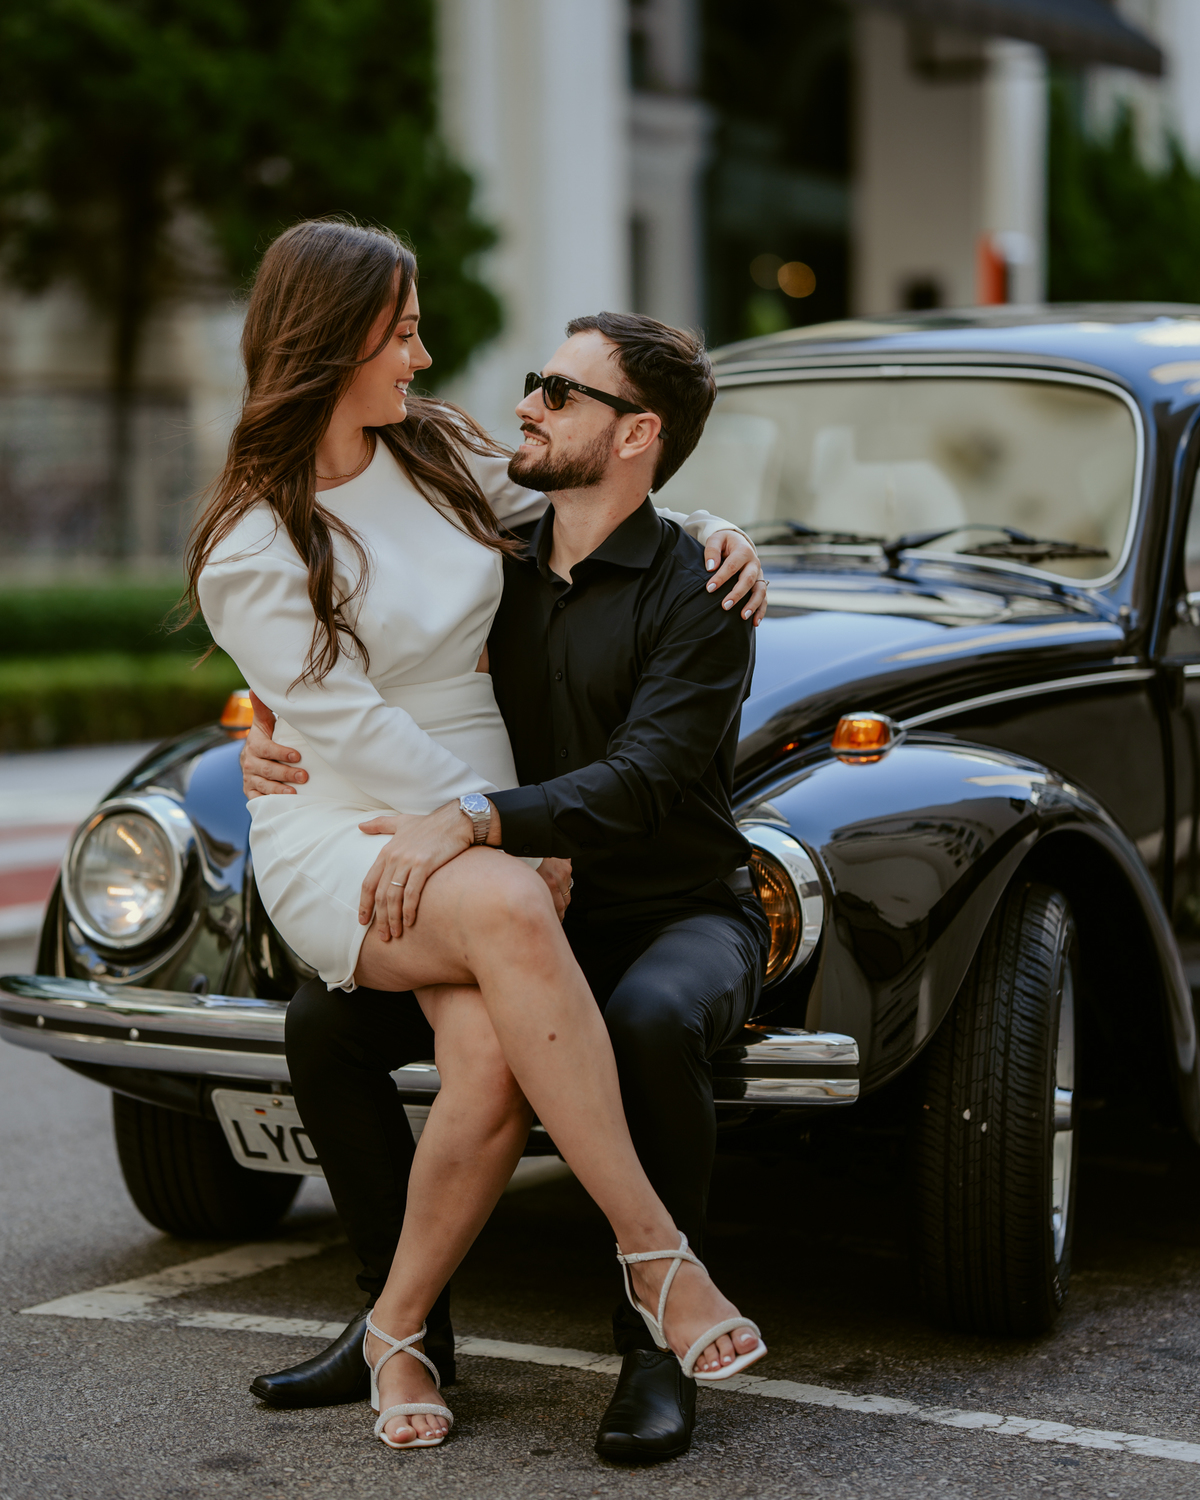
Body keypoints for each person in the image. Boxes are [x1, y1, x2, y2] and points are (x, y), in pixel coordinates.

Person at [190, 218, 767, 1455]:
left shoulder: (437, 449)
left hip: (474, 816)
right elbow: (332, 717)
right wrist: (481, 828)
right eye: (402, 330)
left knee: (493, 1057)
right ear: (339, 341)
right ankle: (656, 1255)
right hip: (352, 819)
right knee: (481, 929)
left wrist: (719, 530)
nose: (427, 352)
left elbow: (602, 488)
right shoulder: (254, 538)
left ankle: (399, 1330)